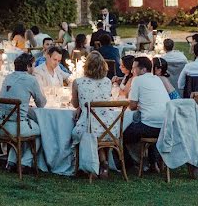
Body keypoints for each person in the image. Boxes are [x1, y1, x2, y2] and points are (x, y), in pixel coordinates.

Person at [0, 53, 46, 173]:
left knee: (23, 124)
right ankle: (25, 163)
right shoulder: (31, 79)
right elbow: (41, 103)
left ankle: (11, 162)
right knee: (40, 132)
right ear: (29, 66)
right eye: (33, 65)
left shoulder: (8, 77)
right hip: (14, 127)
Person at [70, 51, 114, 179]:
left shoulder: (78, 82)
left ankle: (90, 166)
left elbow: (74, 104)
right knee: (96, 130)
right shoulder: (107, 82)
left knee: (86, 130)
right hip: (109, 127)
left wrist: (80, 106)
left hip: (89, 126)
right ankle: (103, 163)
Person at [124, 56, 171, 171]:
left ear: (143, 69)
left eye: (134, 68)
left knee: (121, 134)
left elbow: (132, 106)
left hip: (150, 127)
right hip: (167, 126)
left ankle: (130, 164)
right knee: (146, 124)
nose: (132, 71)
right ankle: (152, 162)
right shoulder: (157, 79)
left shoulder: (137, 80)